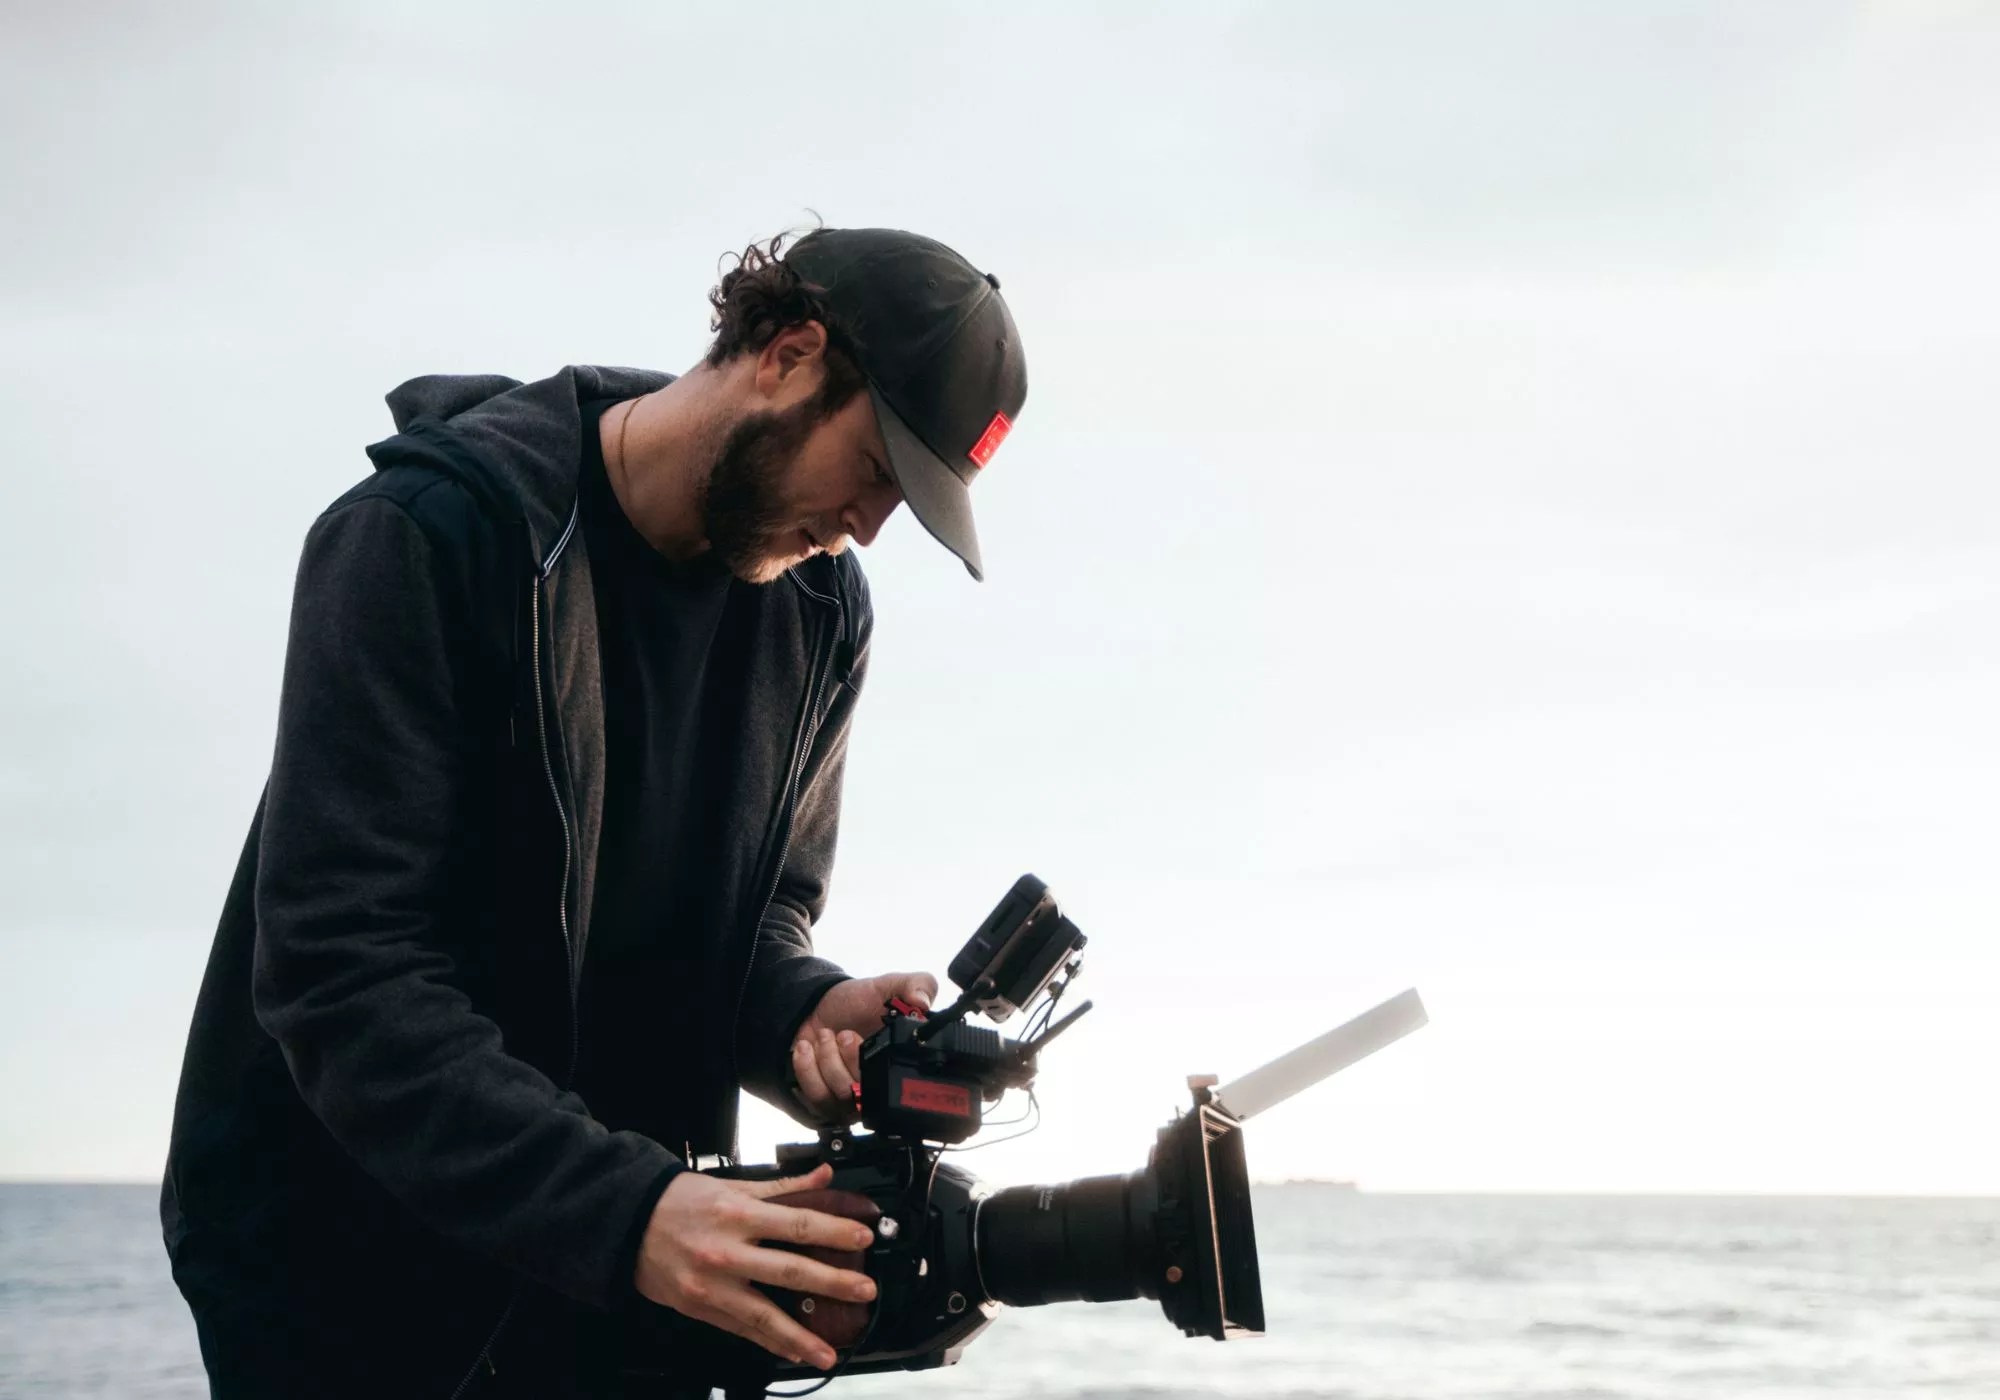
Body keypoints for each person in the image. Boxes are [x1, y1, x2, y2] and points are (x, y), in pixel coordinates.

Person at [159, 227, 1029, 1398]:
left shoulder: (820, 611)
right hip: (345, 1272)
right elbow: (340, 974)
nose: (867, 526)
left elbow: (753, 922)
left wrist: (807, 1011)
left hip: (618, 1276)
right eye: (875, 470)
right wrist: (628, 1212)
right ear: (787, 355)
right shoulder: (425, 536)